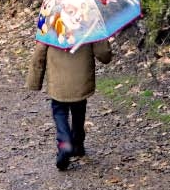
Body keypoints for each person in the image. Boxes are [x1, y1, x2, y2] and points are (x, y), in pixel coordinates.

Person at [26, 39, 112, 170]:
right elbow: (103, 52)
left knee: (59, 111)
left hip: (58, 80)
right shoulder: (88, 20)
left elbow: (40, 52)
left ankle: (64, 142)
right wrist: (106, 55)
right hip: (81, 79)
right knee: (79, 108)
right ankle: (77, 143)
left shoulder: (51, 20)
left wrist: (34, 81)